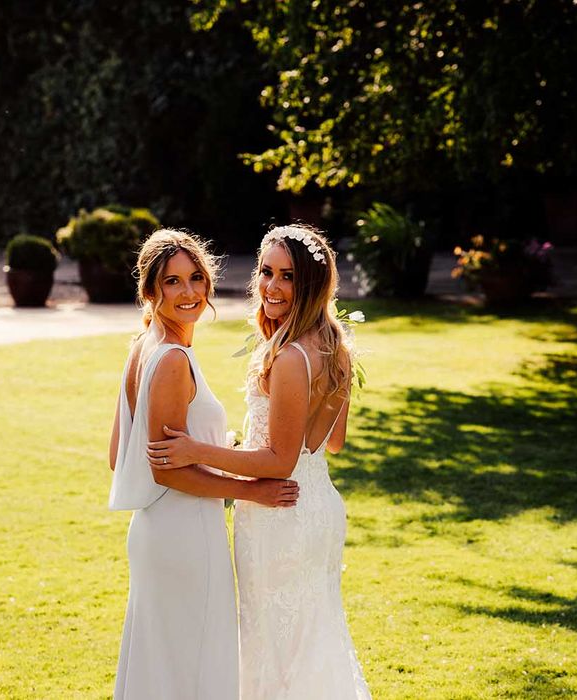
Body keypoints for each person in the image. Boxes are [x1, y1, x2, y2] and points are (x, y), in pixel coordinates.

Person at [148, 224, 372, 699]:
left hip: (280, 516)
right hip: (319, 508)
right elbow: (334, 444)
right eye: (266, 272)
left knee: (274, 646)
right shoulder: (337, 346)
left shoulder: (292, 356)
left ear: (310, 284)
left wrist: (196, 450)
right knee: (312, 639)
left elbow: (278, 461)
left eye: (287, 277)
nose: (270, 286)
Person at [108, 228, 299, 700]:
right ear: (151, 290)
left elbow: (120, 455)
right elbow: (166, 468)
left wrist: (209, 446)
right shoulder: (172, 359)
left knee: (163, 671)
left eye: (196, 278)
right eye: (173, 282)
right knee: (193, 672)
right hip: (187, 535)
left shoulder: (143, 346)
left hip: (154, 531)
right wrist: (252, 489)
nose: (189, 292)